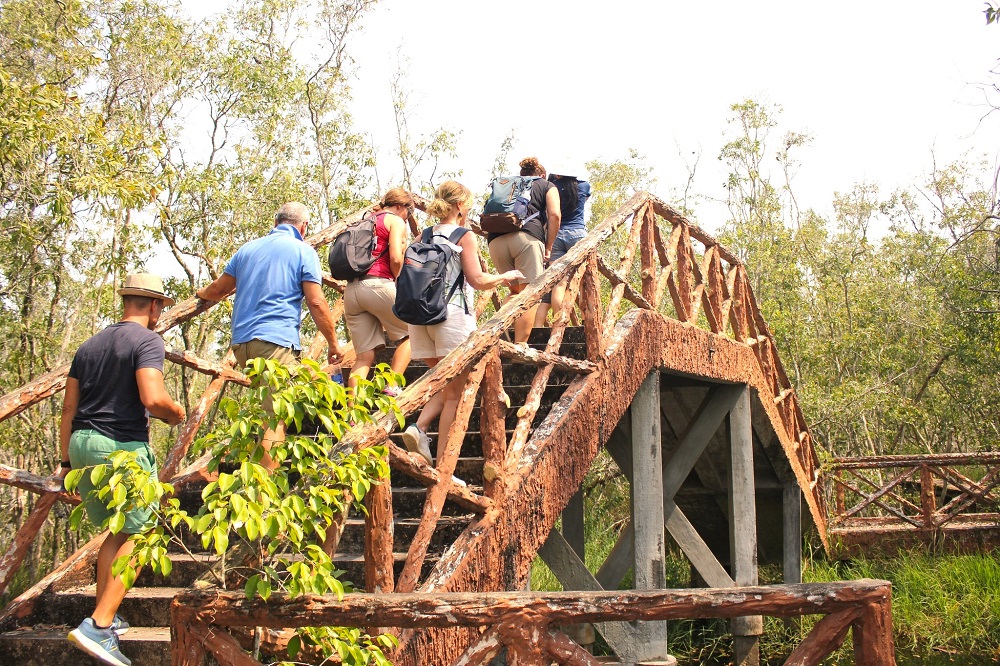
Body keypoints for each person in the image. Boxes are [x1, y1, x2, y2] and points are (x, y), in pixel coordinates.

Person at [62, 273, 186, 666]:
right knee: (144, 531)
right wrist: (175, 412)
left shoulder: (89, 344)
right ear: (153, 306)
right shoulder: (148, 340)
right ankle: (98, 626)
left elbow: (69, 408)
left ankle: (106, 619)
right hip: (119, 447)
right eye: (160, 308)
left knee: (118, 529)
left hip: (81, 445)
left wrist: (66, 462)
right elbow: (152, 396)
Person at [196, 201, 344, 469]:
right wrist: (333, 343)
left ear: (276, 223)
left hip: (242, 345)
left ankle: (255, 476)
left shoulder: (247, 249)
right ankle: (267, 497)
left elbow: (218, 289)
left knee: (265, 409)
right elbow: (317, 302)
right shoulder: (303, 251)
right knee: (274, 417)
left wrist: (201, 295)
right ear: (304, 227)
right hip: (275, 343)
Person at [402, 181, 523, 464]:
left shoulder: (424, 235)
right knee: (455, 392)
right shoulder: (463, 235)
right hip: (450, 316)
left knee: (446, 384)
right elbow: (477, 280)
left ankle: (418, 427)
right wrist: (506, 276)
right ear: (459, 206)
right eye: (467, 204)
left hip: (420, 319)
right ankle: (444, 465)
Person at [343, 188, 414, 396]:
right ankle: (392, 385)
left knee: (364, 356)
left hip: (352, 291)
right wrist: (399, 281)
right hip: (378, 284)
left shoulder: (365, 220)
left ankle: (351, 414)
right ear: (401, 206)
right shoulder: (394, 220)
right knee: (413, 333)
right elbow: (396, 258)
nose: (407, 218)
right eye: (408, 213)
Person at [486, 157, 561, 343]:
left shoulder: (506, 184)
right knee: (530, 295)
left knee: (514, 293)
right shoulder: (547, 185)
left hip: (495, 241)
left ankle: (502, 339)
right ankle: (520, 345)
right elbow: (555, 215)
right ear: (541, 174)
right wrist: (549, 247)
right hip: (527, 239)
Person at [534, 168, 592, 326]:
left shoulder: (551, 188)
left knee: (558, 284)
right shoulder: (584, 186)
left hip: (556, 235)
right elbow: (582, 201)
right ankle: (587, 322)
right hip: (578, 235)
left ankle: (558, 325)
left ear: (558, 173)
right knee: (583, 282)